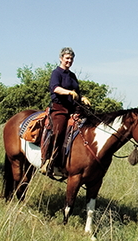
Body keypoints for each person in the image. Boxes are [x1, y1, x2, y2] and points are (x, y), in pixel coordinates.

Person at [41, 47, 90, 176]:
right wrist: (69, 92)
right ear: (61, 58)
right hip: (59, 108)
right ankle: (48, 161)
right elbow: (55, 88)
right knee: (58, 131)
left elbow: (77, 93)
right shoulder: (56, 73)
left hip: (73, 108)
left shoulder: (72, 76)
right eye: (67, 58)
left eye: (71, 59)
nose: (69, 61)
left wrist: (82, 97)